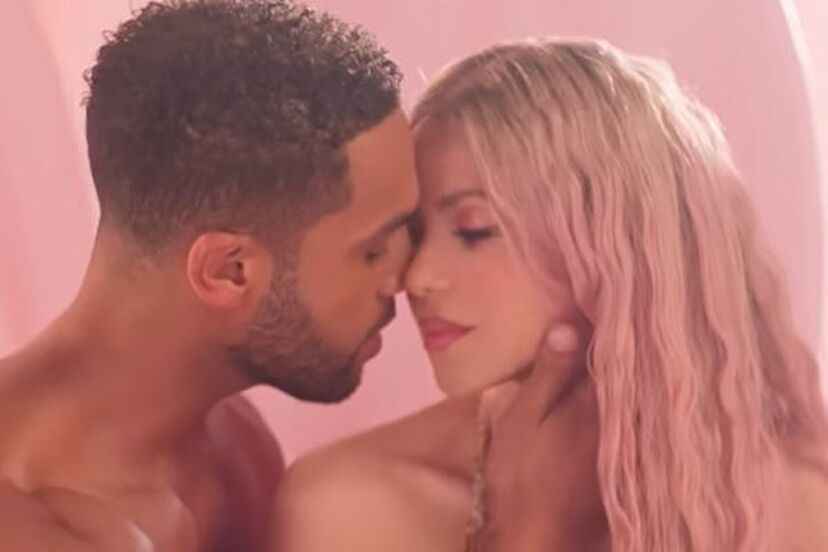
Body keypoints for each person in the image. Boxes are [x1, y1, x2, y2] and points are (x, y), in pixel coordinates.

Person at [271, 38, 828, 551]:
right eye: (416, 232)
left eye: (473, 230)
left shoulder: (797, 500)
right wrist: (527, 532)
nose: (416, 278)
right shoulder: (352, 504)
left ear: (615, 244)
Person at [0, 0, 418, 550]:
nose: (407, 277)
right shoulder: (25, 521)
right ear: (228, 272)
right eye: (372, 252)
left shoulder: (232, 442)